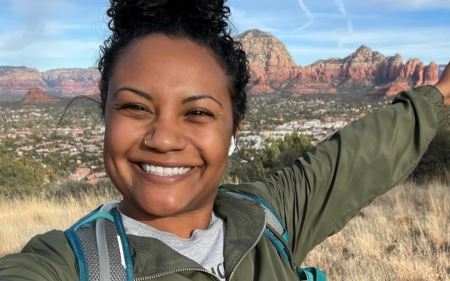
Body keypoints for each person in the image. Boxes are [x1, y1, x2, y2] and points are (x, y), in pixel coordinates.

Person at [0, 0, 449, 280]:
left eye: (197, 112)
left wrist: (438, 93)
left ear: (233, 129)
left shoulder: (266, 215)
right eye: (136, 107)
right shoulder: (71, 264)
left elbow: (361, 153)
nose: (164, 138)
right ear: (105, 117)